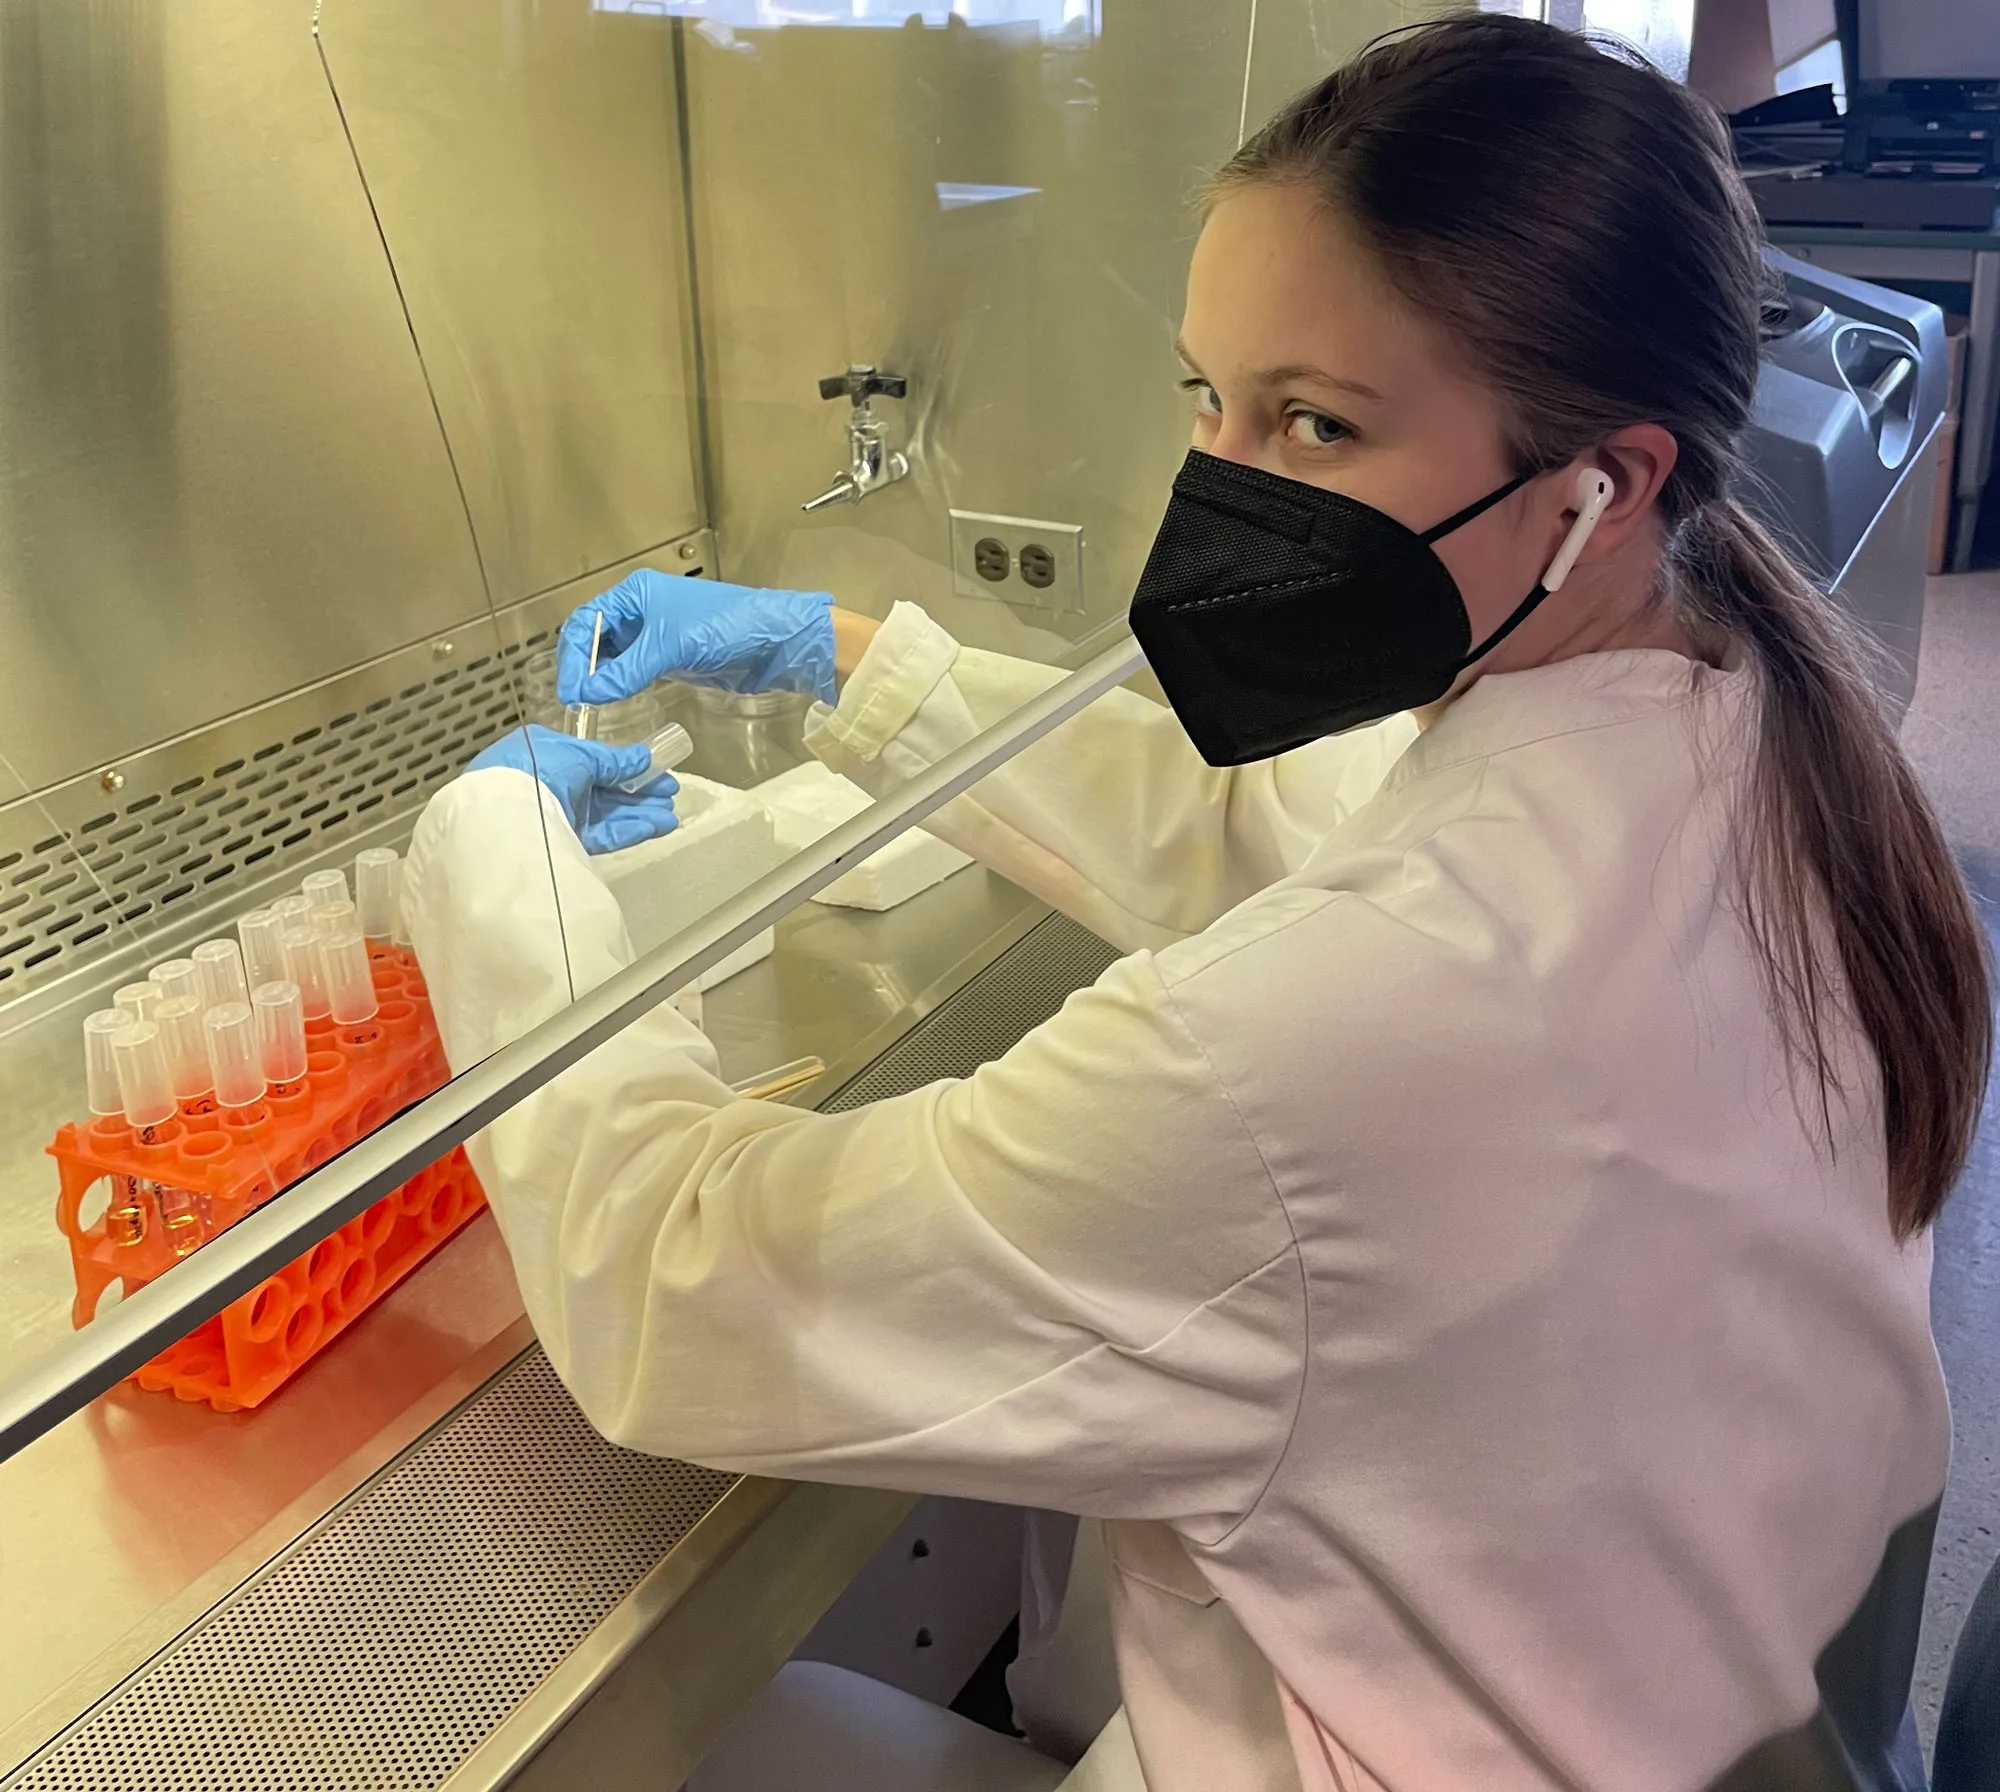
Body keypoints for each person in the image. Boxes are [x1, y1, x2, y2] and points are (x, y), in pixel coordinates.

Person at [408, 16, 1991, 1790]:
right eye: (1206, 402)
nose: (1220, 490)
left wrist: (496, 870)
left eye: (1316, 423)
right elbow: (1299, 832)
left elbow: (678, 1284)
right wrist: (836, 657)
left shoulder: (1350, 1039)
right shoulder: (1750, 729)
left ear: (1600, 485)